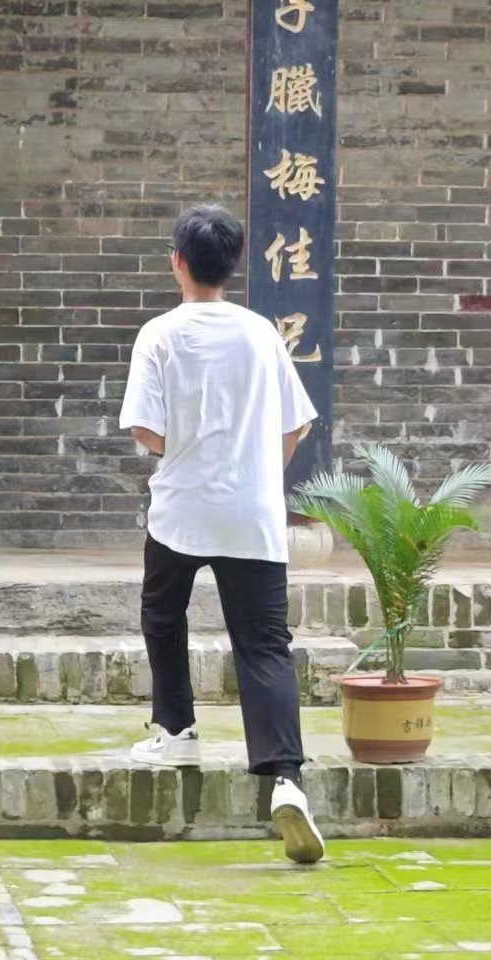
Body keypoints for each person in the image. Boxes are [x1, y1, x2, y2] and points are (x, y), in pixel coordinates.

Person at [118, 205, 325, 864]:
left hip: (181, 509)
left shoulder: (159, 334)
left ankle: (176, 729)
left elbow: (145, 430)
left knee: (162, 615)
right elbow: (295, 426)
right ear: (233, 265)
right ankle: (286, 777)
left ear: (178, 262)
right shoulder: (261, 333)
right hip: (252, 512)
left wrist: (187, 449)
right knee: (264, 644)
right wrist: (257, 472)